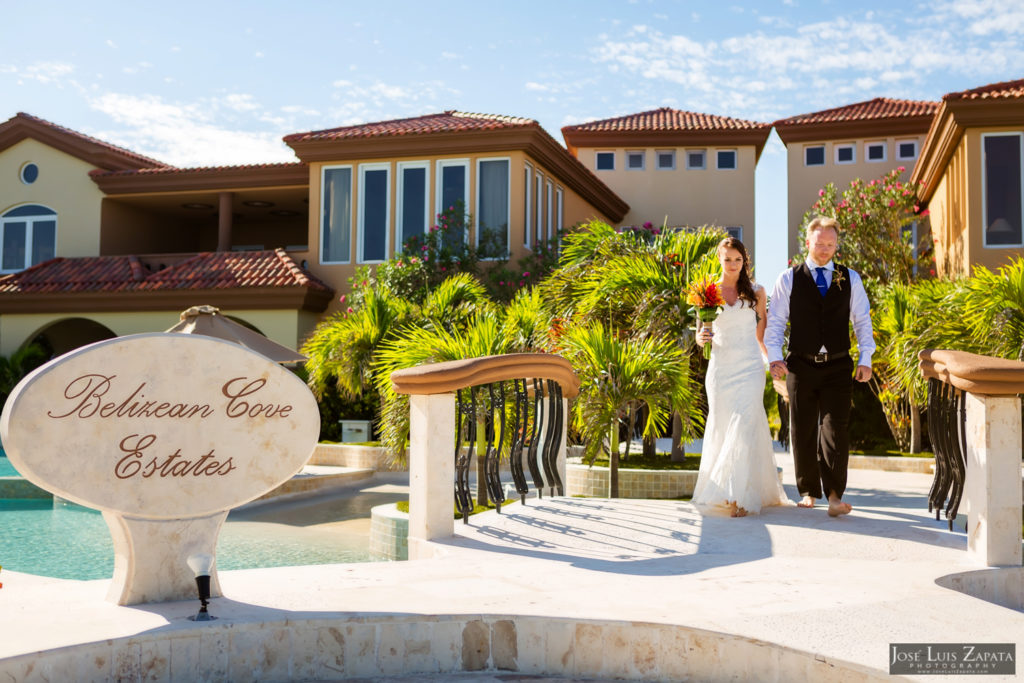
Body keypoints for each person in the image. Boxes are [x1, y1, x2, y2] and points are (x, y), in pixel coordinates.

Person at [765, 217, 874, 517]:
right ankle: (808, 492)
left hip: (839, 364)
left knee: (836, 428)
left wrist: (866, 358)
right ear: (808, 243)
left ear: (836, 244)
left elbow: (863, 321)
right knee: (801, 428)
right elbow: (774, 323)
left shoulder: (850, 278)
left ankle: (835, 496)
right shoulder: (789, 278)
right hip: (800, 364)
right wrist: (774, 357)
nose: (825, 249)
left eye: (830, 244)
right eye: (819, 243)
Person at [692, 237, 790, 517]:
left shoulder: (757, 292)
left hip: (749, 368)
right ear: (720, 260)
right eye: (728, 260)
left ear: (744, 260)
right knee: (724, 426)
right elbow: (702, 334)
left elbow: (763, 336)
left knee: (744, 426)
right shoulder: (707, 292)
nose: (733, 265)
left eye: (738, 260)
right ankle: (727, 492)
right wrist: (701, 337)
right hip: (721, 370)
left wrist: (772, 361)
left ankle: (738, 498)